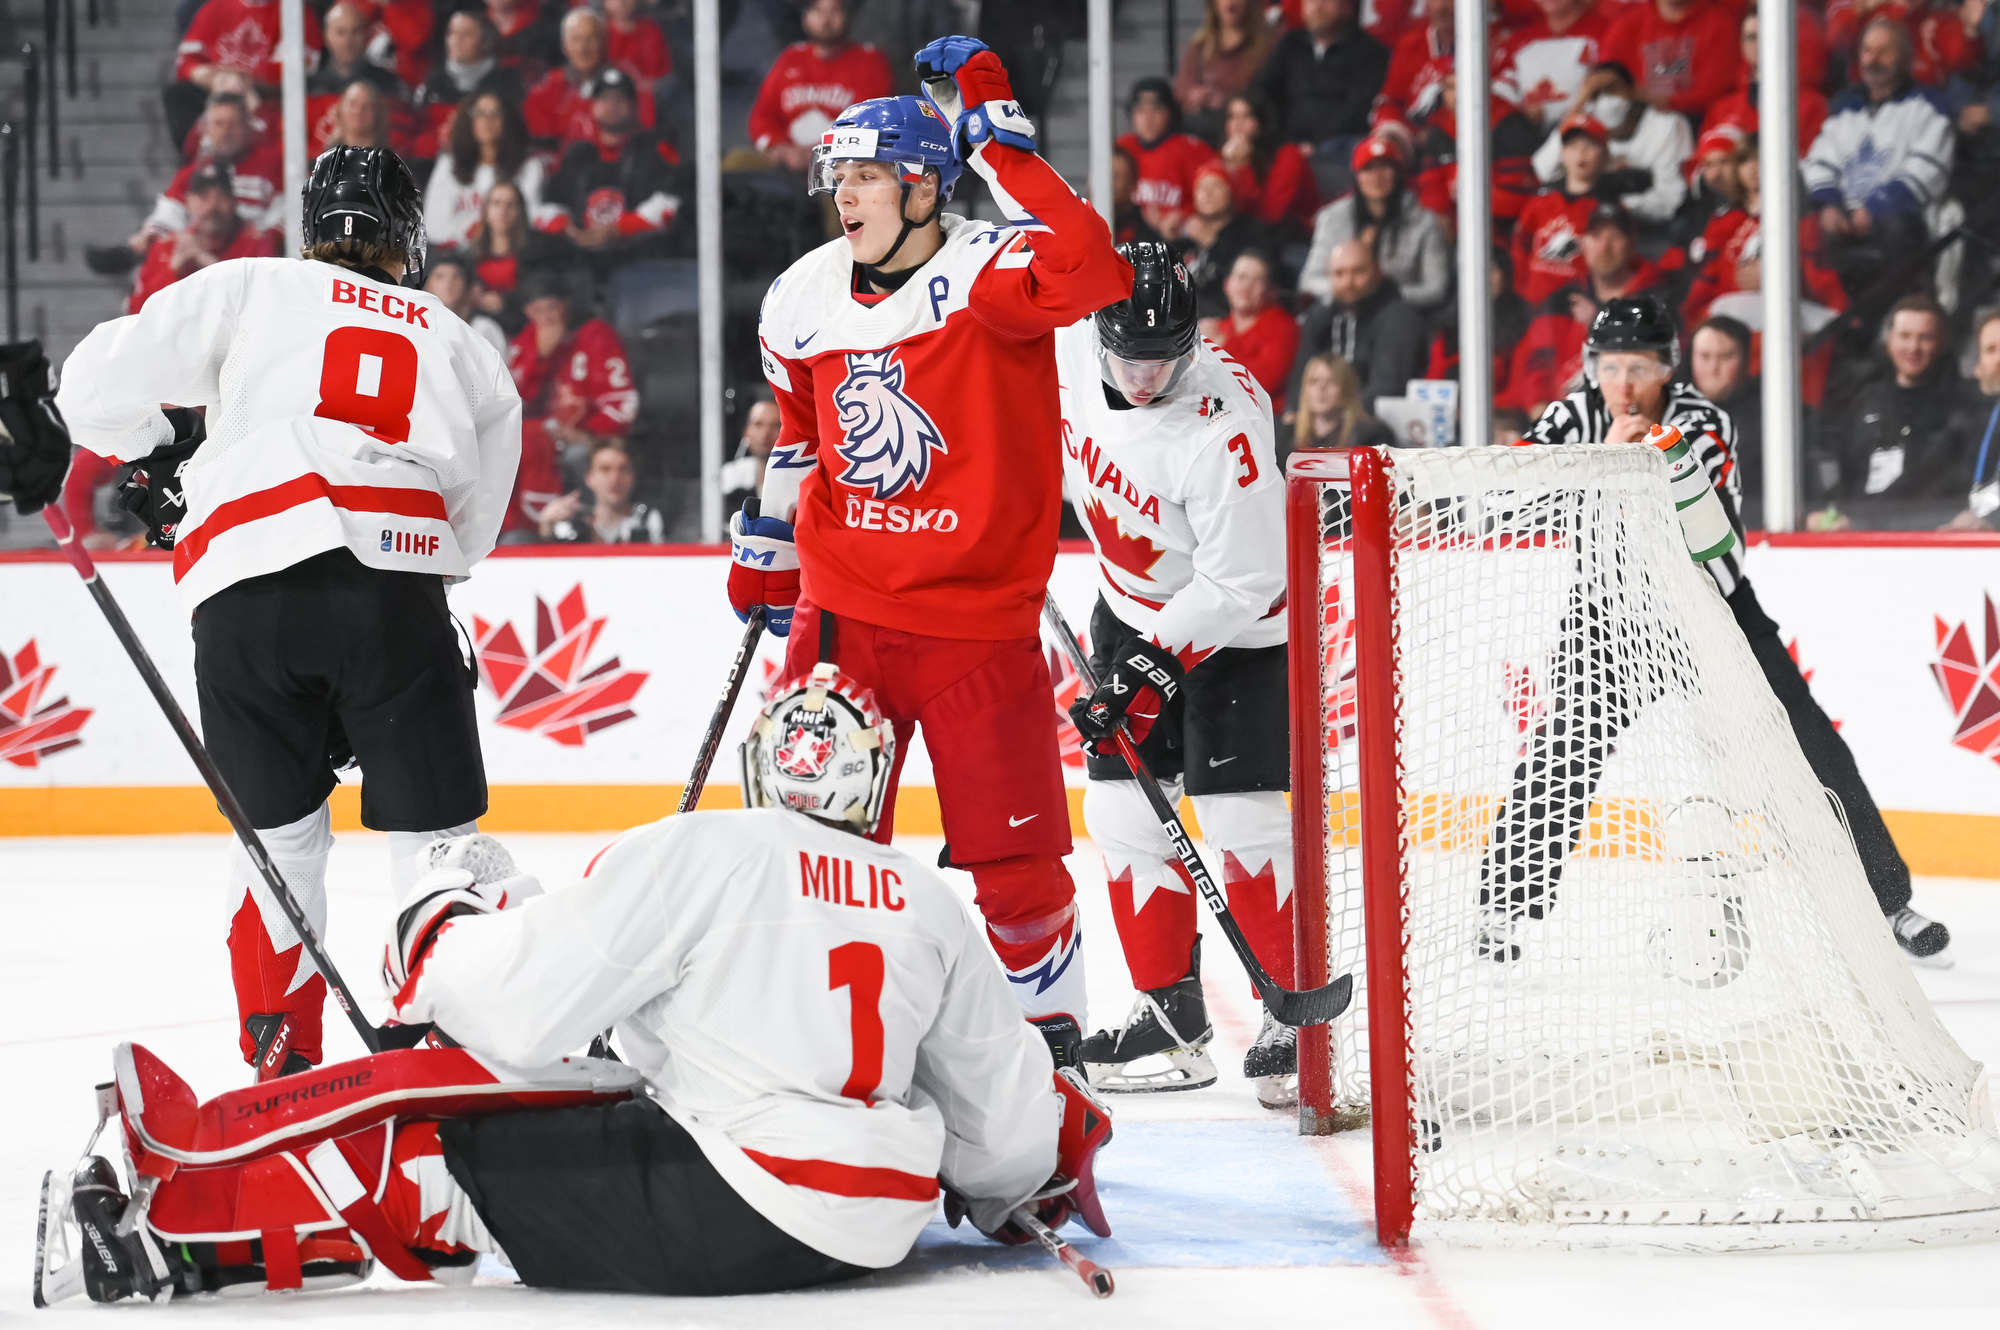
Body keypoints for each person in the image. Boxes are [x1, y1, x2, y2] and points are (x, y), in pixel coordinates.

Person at [31, 671, 1114, 1305]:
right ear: (874, 775)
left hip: (738, 1204)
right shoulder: (921, 899)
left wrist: (441, 936)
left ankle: (161, 1248)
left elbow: (520, 1007)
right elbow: (1002, 1123)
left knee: (441, 1143)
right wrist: (1021, 1182)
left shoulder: (708, 848)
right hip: (874, 1223)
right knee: (576, 1103)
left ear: (761, 766)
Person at [51, 146, 524, 1079]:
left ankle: (282, 1065)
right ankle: (452, 1050)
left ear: (312, 227)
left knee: (278, 845)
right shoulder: (461, 341)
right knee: (436, 847)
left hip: (243, 600)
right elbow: (473, 528)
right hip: (395, 598)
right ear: (408, 239)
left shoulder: (251, 285)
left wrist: (165, 452)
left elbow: (88, 390)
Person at [729, 42, 1133, 1067]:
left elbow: (1095, 267)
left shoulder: (988, 271)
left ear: (922, 188)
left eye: (867, 174)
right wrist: (768, 543)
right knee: (809, 850)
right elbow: (802, 434)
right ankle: (823, 1053)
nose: (844, 194)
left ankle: (1049, 1062)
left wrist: (1000, 143)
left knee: (1018, 871)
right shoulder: (802, 296)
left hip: (977, 631)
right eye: (838, 175)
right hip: (842, 620)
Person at [1510, 297, 1952, 964]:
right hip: (1609, 614)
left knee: (1807, 741)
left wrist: (1629, 467)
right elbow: (1509, 493)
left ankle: (1888, 902)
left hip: (1712, 608)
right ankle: (1506, 908)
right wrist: (1597, 463)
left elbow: (1715, 554)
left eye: (1640, 367)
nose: (1623, 383)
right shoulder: (1573, 416)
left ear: (1668, 368)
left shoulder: (1702, 422)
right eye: (1610, 366)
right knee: (1563, 749)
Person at [1050, 242, 1297, 1107]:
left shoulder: (1227, 426)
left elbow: (1245, 580)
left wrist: (1150, 667)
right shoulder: (1071, 344)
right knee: (1123, 814)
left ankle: (1291, 1017)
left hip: (1240, 636)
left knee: (1241, 823)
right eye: (1130, 357)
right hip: (1129, 608)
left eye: (1164, 359)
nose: (1145, 378)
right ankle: (1169, 1016)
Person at [1803, 16, 1955, 300]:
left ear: (1905, 57)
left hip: (1900, 219)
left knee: (1896, 226)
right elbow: (1820, 161)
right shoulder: (1846, 107)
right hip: (1845, 215)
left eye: (1884, 51)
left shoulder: (1928, 105)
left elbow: (1927, 169)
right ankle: (1832, 312)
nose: (1873, 60)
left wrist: (1874, 208)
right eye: (1867, 50)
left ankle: (1900, 308)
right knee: (1809, 225)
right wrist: (1829, 205)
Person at [1810, 295, 1976, 531]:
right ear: (1888, 341)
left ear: (1942, 344)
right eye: (1905, 336)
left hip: (1927, 535)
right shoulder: (1863, 400)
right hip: (1856, 534)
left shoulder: (1959, 407)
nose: (1913, 348)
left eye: (1925, 338)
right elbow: (1841, 473)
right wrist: (1825, 513)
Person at [504, 267, 638, 538]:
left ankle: (588, 533)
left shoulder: (595, 336)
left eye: (552, 308)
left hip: (588, 441)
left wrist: (588, 434)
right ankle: (526, 533)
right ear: (527, 312)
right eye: (538, 311)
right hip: (536, 445)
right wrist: (541, 357)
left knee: (580, 457)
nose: (547, 318)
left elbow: (623, 405)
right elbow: (512, 405)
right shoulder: (525, 344)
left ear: (566, 305)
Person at [89, 93, 285, 277]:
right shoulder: (194, 173)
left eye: (233, 124)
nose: (225, 132)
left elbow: (287, 211)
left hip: (255, 252)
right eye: (218, 124)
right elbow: (169, 213)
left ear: (248, 126)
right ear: (206, 129)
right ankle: (128, 256)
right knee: (164, 247)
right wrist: (150, 237)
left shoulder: (273, 163)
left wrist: (271, 237)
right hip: (206, 249)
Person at [536, 68, 686, 270]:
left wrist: (619, 229)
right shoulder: (578, 154)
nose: (611, 105)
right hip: (580, 261)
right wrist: (566, 227)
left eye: (619, 99)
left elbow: (669, 205)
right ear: (592, 106)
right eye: (604, 98)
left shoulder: (654, 148)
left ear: (634, 106)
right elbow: (548, 206)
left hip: (641, 260)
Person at [1299, 134, 1451, 311]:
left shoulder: (1424, 222)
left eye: (1385, 167)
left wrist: (1382, 297)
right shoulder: (1332, 218)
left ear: (1398, 174)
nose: (1377, 177)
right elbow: (1309, 280)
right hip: (1343, 309)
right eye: (1368, 169)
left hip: (1400, 312)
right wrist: (1350, 292)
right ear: (1357, 177)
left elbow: (1436, 288)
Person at [1529, 60, 1689, 225]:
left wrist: (1613, 207)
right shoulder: (1586, 122)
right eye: (1596, 93)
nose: (1605, 99)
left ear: (1632, 92)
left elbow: (1671, 198)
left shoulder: (1665, 125)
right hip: (1588, 222)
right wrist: (1582, 99)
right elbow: (1544, 169)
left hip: (1647, 225)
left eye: (1612, 89)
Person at [749, 0, 896, 173]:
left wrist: (818, 152)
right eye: (818, 11)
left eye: (834, 11)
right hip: (786, 161)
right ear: (805, 17)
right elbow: (762, 115)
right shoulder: (791, 57)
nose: (826, 20)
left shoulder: (869, 61)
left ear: (849, 16)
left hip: (844, 166)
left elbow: (869, 125)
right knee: (735, 163)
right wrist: (780, 147)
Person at [1287, 238, 1427, 414]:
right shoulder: (1320, 316)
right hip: (1326, 420)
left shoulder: (1398, 318)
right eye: (1339, 274)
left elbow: (1387, 388)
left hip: (1376, 424)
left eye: (1358, 272)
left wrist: (1339, 418)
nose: (1348, 282)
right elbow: (1300, 379)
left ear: (1377, 272)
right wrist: (1295, 413)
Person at [126, 163, 282, 314]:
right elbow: (138, 312)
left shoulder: (257, 243)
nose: (212, 206)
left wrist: (208, 263)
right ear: (188, 202)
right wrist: (173, 271)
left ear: (234, 203)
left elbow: (261, 305)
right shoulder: (167, 246)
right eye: (203, 197)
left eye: (221, 197)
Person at [165, 0, 321, 149]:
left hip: (265, 92)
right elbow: (186, 60)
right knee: (178, 94)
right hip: (217, 85)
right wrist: (209, 77)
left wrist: (243, 79)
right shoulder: (216, 6)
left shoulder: (294, 10)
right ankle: (196, 155)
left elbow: (297, 69)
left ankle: (263, 155)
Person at [1253, 0, 1388, 146]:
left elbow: (1359, 112)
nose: (1317, 6)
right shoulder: (1291, 43)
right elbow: (1262, 89)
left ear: (1346, 6)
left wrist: (1313, 145)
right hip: (1286, 145)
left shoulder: (1370, 53)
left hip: (1341, 147)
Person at [1512, 113, 1612, 306]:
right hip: (1533, 306)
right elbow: (1519, 246)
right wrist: (1521, 293)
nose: (1581, 153)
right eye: (1573, 146)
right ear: (1562, 153)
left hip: (1578, 309)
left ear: (1604, 154)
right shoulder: (1540, 202)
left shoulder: (1608, 211)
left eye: (1589, 145)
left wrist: (1594, 305)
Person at [424, 91, 546, 250]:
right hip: (458, 254)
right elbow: (433, 225)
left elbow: (529, 220)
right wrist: (468, 232)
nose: (487, 121)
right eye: (480, 114)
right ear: (469, 121)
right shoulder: (447, 165)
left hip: (512, 253)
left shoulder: (530, 167)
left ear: (508, 120)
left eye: (495, 113)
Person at [523, 9, 657, 147]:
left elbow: (645, 130)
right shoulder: (546, 89)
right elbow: (541, 142)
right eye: (576, 40)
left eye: (591, 39)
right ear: (564, 46)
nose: (583, 48)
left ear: (605, 42)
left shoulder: (630, 80)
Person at [410, 12, 526, 159]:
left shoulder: (506, 82)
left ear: (485, 41)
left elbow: (512, 133)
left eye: (466, 34)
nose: (457, 40)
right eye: (452, 33)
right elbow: (416, 134)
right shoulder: (432, 82)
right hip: (434, 160)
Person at [1118, 78, 1222, 238]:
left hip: (1179, 235)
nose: (1148, 118)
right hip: (1130, 238)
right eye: (1140, 111)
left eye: (1156, 110)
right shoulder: (1123, 148)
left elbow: (1218, 196)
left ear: (1170, 113)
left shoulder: (1190, 148)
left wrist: (1184, 215)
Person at [1597, 0, 1738, 118]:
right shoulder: (1628, 21)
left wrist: (1661, 100)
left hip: (1695, 119)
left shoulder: (1719, 23)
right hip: (1634, 118)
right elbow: (1606, 73)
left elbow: (1715, 91)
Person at [1493, 0, 1615, 131]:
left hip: (1583, 131)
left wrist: (1557, 112)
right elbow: (1500, 91)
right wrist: (1519, 113)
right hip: (1524, 133)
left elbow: (1613, 87)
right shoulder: (1519, 40)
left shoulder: (1605, 31)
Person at [1686, 314, 1763, 522]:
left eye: (1726, 356)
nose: (1713, 368)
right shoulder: (1666, 408)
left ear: (1746, 360)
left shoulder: (1773, 416)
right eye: (1704, 356)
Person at [1204, 249, 1300, 412]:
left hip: (1263, 419)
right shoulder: (1216, 328)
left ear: (1270, 290)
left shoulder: (1284, 328)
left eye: (1256, 280)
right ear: (1227, 284)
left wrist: (1221, 348)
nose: (1246, 286)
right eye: (1241, 277)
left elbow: (1259, 383)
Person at [1216, 90, 1317, 237]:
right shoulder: (1223, 155)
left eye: (1247, 116)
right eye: (1232, 117)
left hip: (1290, 235)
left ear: (1262, 122)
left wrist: (1242, 167)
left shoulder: (1288, 155)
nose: (1237, 124)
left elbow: (1271, 215)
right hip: (1241, 236)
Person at [1176, 0, 1278, 139]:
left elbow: (1265, 95)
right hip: (1202, 126)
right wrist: (1194, 95)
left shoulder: (1267, 46)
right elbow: (1182, 89)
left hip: (1248, 131)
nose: (1230, 2)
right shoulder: (1200, 46)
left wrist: (1224, 100)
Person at [1174, 164, 1267, 316]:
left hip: (1220, 316)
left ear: (1232, 192)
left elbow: (1238, 288)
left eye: (1216, 186)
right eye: (1201, 188)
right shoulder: (1186, 236)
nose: (1207, 193)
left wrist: (1209, 241)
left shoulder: (1251, 232)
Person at [536, 439, 665, 543]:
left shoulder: (648, 521)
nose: (615, 479)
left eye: (623, 469)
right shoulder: (573, 524)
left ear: (633, 477)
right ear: (589, 478)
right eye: (605, 469)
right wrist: (547, 529)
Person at [1291, 351, 1394, 456]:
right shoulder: (1287, 434)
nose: (1321, 388)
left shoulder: (1372, 436)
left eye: (1332, 381)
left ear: (1346, 388)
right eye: (1314, 381)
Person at [307, 2, 405, 99]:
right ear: (326, 37)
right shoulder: (309, 87)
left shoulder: (388, 84)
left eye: (356, 31)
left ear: (367, 35)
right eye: (340, 32)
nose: (348, 41)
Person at [424, 254, 508, 352]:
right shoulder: (417, 326)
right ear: (427, 285)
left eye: (456, 277)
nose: (448, 283)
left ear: (467, 285)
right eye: (440, 277)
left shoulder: (485, 328)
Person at [721, 397, 782, 514]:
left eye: (775, 425)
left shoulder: (799, 481)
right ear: (746, 432)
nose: (765, 433)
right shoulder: (729, 477)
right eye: (758, 424)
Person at [1110, 145, 1168, 248]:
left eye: (1118, 176)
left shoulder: (1142, 231)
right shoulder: (1083, 219)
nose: (1110, 182)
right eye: (1107, 175)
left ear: (1132, 185)